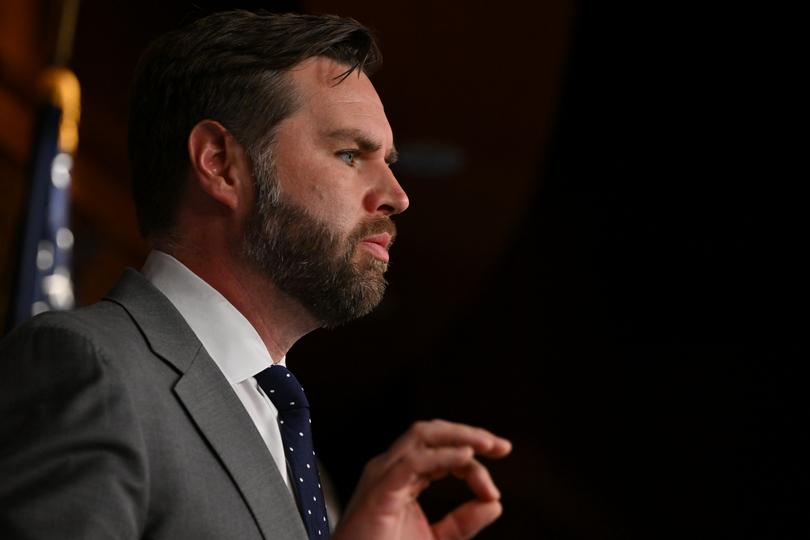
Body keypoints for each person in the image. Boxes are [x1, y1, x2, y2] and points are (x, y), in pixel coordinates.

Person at [0, 10, 511, 540]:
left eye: (388, 160)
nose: (397, 196)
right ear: (220, 163)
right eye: (349, 153)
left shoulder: (305, 460)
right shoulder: (88, 368)